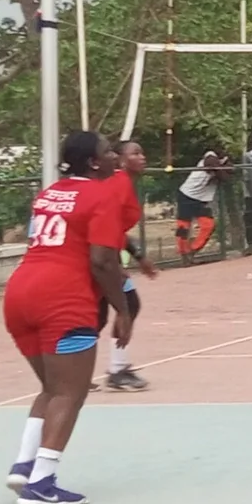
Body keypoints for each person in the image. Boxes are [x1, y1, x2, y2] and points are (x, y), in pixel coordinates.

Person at [2, 131, 133, 504]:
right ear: (93, 162)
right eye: (108, 152)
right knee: (70, 393)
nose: (115, 157)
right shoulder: (102, 196)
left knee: (51, 386)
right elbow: (102, 261)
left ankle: (24, 465)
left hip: (20, 293)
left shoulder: (49, 194)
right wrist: (123, 309)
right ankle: (42, 484)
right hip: (63, 299)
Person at [93, 140, 158, 391]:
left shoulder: (124, 184)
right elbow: (104, 227)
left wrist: (139, 256)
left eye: (142, 152)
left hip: (106, 254)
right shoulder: (117, 184)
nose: (142, 157)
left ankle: (114, 368)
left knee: (102, 314)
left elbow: (117, 230)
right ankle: (116, 370)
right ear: (121, 160)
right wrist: (113, 265)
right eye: (136, 153)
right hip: (99, 256)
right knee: (120, 307)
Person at [175, 149, 229, 264]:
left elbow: (227, 174)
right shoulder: (210, 156)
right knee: (183, 227)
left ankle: (192, 250)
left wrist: (220, 170)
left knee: (208, 225)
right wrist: (221, 169)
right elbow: (219, 171)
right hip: (187, 195)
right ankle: (183, 253)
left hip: (201, 200)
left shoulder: (221, 162)